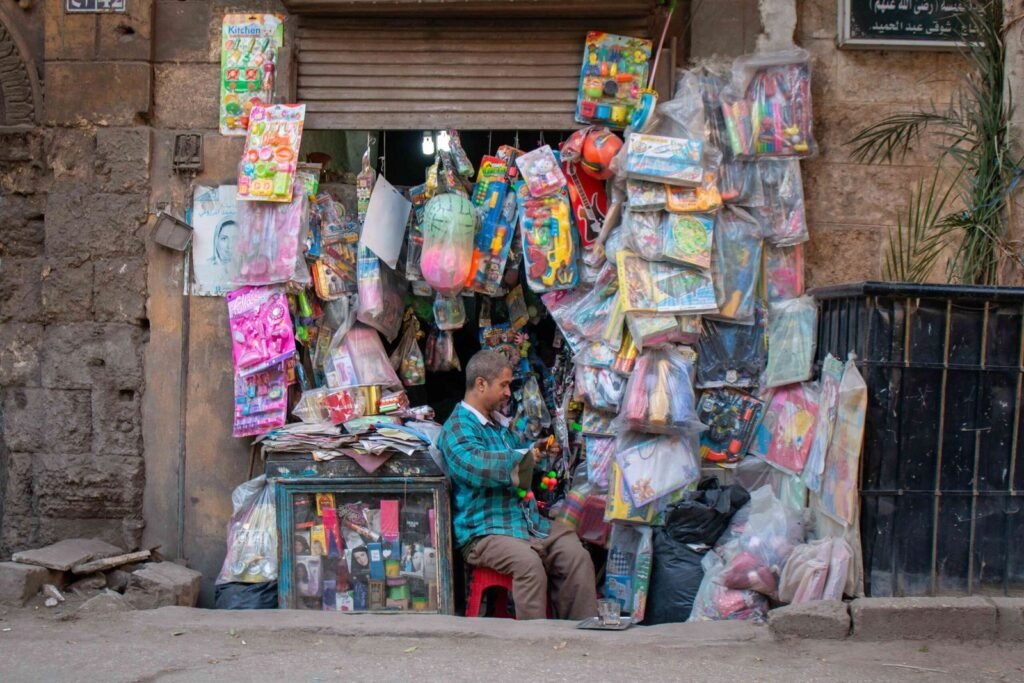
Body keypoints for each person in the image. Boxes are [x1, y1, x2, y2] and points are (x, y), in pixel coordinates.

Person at [438, 350, 597, 621]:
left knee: (576, 556)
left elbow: (517, 457)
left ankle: (580, 636)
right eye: (504, 384)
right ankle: (533, 645)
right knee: (529, 565)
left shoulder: (498, 426)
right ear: (480, 384)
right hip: (484, 532)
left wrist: (537, 451)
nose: (508, 392)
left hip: (525, 524)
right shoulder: (457, 428)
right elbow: (475, 465)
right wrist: (522, 457)